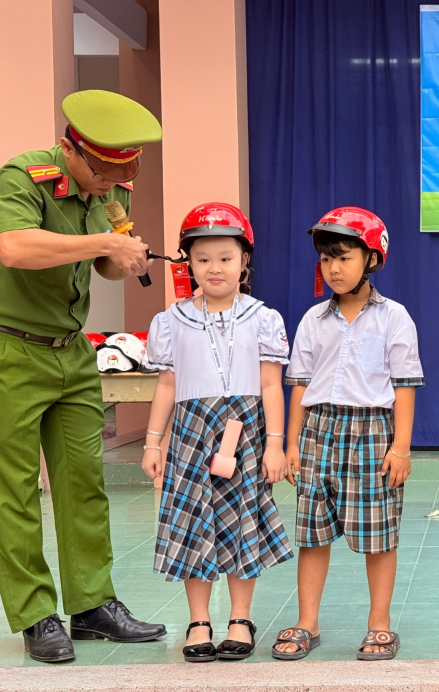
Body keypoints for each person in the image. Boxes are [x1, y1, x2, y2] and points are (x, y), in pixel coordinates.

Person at [0, 89, 166, 663]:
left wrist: (125, 254)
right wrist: (104, 242)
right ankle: (36, 613)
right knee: (14, 490)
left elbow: (107, 265)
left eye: (127, 168)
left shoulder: (109, 188)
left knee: (84, 483)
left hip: (73, 353)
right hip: (10, 351)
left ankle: (91, 605)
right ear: (74, 151)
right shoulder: (25, 176)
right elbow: (12, 247)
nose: (116, 180)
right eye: (109, 169)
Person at [141, 203, 292, 662]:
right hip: (190, 433)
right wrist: (152, 441)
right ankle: (199, 619)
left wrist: (275, 444)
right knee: (193, 525)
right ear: (188, 261)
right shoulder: (171, 321)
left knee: (241, 523)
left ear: (244, 260)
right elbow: (167, 384)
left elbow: (271, 384)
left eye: (226, 257)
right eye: (202, 258)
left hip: (245, 432)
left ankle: (240, 618)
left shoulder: (263, 318)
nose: (214, 268)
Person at [271, 207, 423, 662]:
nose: (333, 268)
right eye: (325, 259)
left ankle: (379, 625)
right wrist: (292, 443)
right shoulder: (313, 320)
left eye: (343, 257)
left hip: (373, 430)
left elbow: (406, 386)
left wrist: (400, 447)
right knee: (313, 533)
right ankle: (307, 622)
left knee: (379, 533)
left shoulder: (394, 317)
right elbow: (298, 385)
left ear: (372, 259)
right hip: (319, 429)